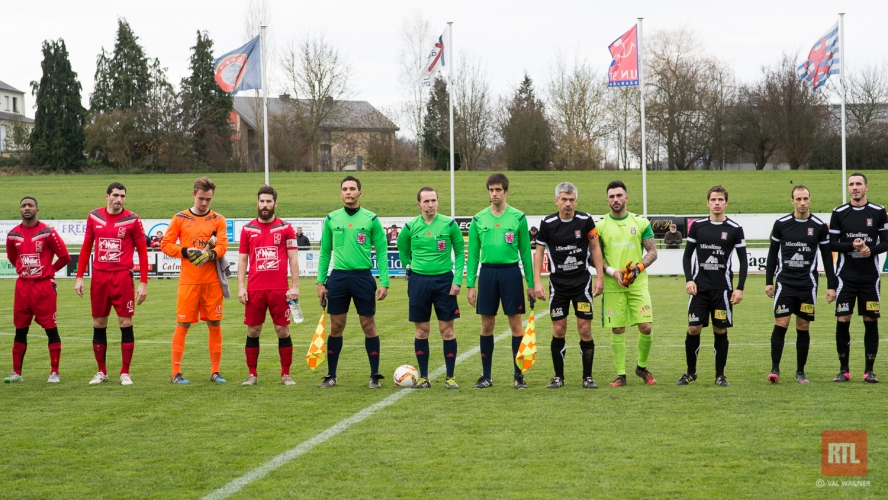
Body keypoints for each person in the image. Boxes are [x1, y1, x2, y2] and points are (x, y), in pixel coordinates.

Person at [316, 176, 390, 388]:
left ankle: (374, 375)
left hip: (363, 277)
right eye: (345, 189)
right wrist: (320, 282)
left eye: (352, 189)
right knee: (336, 326)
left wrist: (384, 281)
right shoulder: (331, 219)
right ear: (341, 193)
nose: (348, 192)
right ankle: (331, 375)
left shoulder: (372, 219)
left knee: (368, 325)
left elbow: (383, 253)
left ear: (360, 192)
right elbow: (324, 253)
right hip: (338, 277)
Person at [74, 182, 149, 386]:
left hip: (122, 277)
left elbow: (143, 252)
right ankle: (101, 371)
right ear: (106, 196)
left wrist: (143, 282)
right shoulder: (94, 216)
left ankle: (125, 372)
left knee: (125, 323)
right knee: (99, 323)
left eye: (123, 196)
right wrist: (79, 276)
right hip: (99, 277)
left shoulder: (133, 220)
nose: (119, 199)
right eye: (115, 195)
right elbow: (86, 247)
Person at [532, 182, 604, 389]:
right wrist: (538, 281)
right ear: (556, 201)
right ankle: (558, 377)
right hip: (558, 286)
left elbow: (595, 247)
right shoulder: (547, 223)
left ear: (576, 201)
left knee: (585, 330)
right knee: (559, 329)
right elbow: (538, 254)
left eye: (571, 200)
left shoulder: (585, 220)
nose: (568, 204)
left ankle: (587, 377)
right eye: (564, 199)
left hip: (582, 284)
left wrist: (599, 277)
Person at [466, 173, 534, 389]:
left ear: (506, 192)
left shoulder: (518, 218)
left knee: (516, 325)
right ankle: (486, 376)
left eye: (498, 190)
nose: (494, 194)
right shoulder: (478, 219)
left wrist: (531, 284)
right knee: (487, 325)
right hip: (487, 274)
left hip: (511, 274)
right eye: (491, 190)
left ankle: (518, 375)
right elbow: (473, 255)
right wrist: (470, 285)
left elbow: (525, 253)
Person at [765, 185, 837, 384]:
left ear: (810, 200)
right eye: (798, 199)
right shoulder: (781, 224)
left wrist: (832, 285)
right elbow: (772, 255)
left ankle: (800, 372)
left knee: (803, 325)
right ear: (792, 201)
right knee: (781, 322)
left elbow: (827, 258)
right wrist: (768, 281)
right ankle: (775, 369)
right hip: (785, 284)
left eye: (805, 198)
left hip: (807, 285)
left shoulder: (819, 226)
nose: (802, 202)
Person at [161, 177, 229, 385]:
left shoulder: (218, 220)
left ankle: (215, 372)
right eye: (201, 198)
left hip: (212, 283)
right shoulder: (180, 218)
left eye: (208, 199)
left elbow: (223, 245)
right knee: (182, 324)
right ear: (193, 195)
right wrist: (185, 251)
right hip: (188, 283)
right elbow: (166, 244)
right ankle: (176, 373)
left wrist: (210, 255)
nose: (204, 203)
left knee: (215, 323)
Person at [397, 186, 465, 389]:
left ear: (438, 201)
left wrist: (457, 280)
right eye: (426, 201)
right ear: (418, 204)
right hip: (419, 282)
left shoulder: (449, 224)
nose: (430, 205)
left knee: (447, 330)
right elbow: (402, 250)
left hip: (444, 281)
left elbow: (460, 253)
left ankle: (450, 377)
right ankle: (424, 378)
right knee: (421, 331)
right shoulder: (410, 227)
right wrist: (409, 267)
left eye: (433, 200)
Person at [681, 185, 748, 387]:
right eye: (713, 200)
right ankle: (691, 372)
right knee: (694, 328)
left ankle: (720, 375)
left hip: (723, 291)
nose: (717, 203)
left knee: (720, 330)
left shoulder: (735, 229)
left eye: (720, 200)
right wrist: (689, 279)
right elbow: (687, 255)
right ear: (707, 203)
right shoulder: (698, 226)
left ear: (726, 203)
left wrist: (739, 287)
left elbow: (743, 261)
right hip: (699, 289)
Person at [596, 180, 658, 387]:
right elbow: (593, 257)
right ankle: (621, 375)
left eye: (619, 195)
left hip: (637, 284)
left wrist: (637, 269)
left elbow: (652, 252)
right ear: (607, 200)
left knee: (646, 327)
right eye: (612, 196)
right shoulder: (600, 225)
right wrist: (613, 272)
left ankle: (641, 368)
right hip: (614, 286)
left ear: (626, 198)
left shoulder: (640, 223)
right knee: (618, 330)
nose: (616, 199)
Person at [237, 185, 300, 386]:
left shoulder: (286, 228)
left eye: (268, 201)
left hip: (279, 289)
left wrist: (295, 286)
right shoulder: (247, 229)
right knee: (253, 331)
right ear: (257, 203)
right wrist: (241, 286)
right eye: (262, 201)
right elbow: (242, 260)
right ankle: (252, 374)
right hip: (255, 289)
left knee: (283, 330)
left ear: (275, 204)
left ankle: (286, 374)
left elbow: (293, 259)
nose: (265, 205)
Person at [829, 173, 888, 383]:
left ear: (866, 187)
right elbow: (832, 243)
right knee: (843, 319)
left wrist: (869, 250)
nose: (855, 188)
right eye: (851, 184)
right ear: (848, 188)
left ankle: (869, 370)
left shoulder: (879, 212)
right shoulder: (839, 212)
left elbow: (886, 241)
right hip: (845, 278)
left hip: (870, 278)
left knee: (870, 320)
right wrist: (851, 246)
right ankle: (843, 370)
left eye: (858, 184)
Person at [4, 197, 71, 383]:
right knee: (20, 329)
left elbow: (65, 257)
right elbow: (12, 258)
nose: (27, 208)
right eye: (24, 206)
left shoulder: (48, 232)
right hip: (23, 287)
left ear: (37, 209)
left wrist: (50, 271)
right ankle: (17, 373)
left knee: (51, 328)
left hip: (43, 287)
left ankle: (54, 372)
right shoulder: (12, 235)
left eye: (30, 205)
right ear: (20, 210)